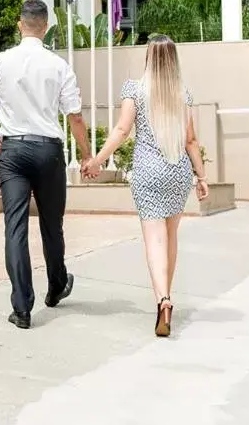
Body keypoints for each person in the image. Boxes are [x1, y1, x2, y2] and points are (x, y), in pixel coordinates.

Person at [82, 34, 208, 338]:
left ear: (148, 58)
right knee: (171, 236)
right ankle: (165, 297)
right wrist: (202, 177)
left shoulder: (134, 89)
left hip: (148, 173)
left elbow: (123, 129)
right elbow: (191, 140)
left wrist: (97, 160)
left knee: (154, 240)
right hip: (178, 171)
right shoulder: (183, 94)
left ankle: (163, 299)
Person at [0, 0, 91, 330]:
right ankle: (56, 285)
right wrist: (86, 155)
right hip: (48, 151)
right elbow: (75, 117)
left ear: (20, 24)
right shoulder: (59, 66)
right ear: (45, 27)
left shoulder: (1, 61)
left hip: (12, 151)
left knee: (15, 227)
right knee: (51, 225)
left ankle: (22, 308)